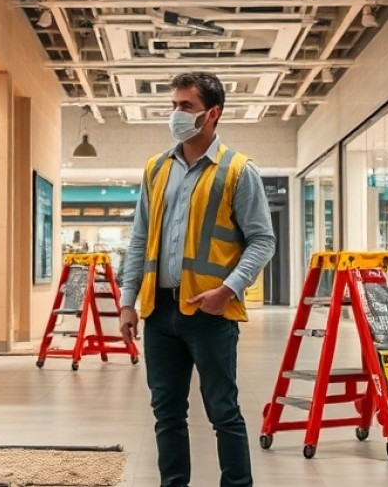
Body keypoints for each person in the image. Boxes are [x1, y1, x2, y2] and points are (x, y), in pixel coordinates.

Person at [118, 72, 276, 487]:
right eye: (174, 105)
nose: (176, 114)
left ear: (212, 113)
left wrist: (228, 290)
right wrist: (127, 300)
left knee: (223, 411)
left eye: (185, 106)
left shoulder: (239, 171)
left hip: (209, 312)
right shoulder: (156, 169)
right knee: (166, 413)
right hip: (160, 310)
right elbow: (139, 239)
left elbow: (262, 241)